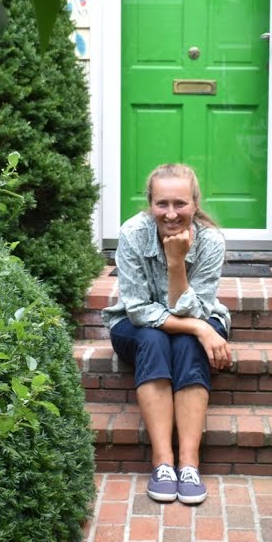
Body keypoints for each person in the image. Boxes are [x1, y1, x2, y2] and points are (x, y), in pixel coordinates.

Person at [102, 164, 231, 505]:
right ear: (150, 204)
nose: (171, 214)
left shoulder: (211, 241)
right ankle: (163, 463)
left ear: (194, 203)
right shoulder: (132, 233)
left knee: (186, 342)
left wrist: (176, 263)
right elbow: (139, 311)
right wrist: (201, 329)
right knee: (155, 338)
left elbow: (195, 310)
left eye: (180, 204)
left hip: (195, 319)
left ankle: (189, 464)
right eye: (162, 204)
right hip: (135, 327)